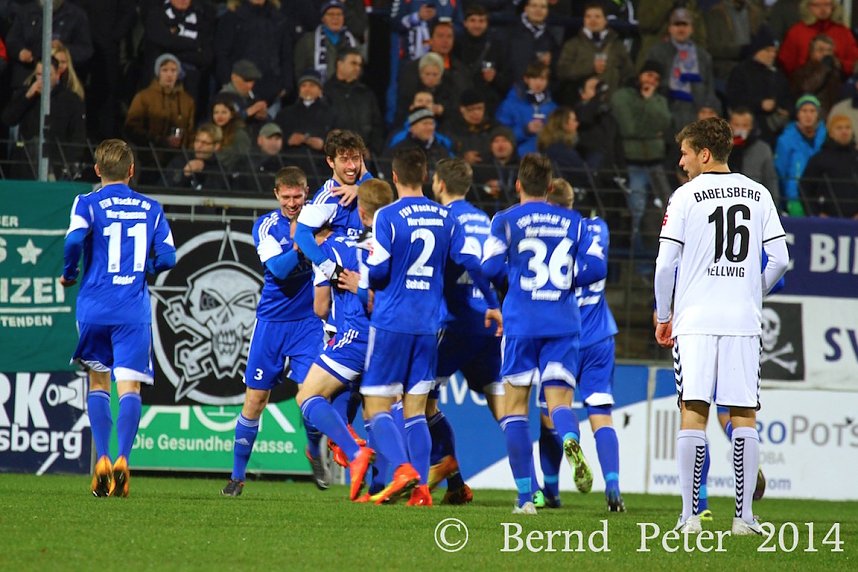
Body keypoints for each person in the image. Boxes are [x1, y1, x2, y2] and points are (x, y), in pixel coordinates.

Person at [654, 117, 789, 534]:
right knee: (744, 415)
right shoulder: (759, 193)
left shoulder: (684, 197)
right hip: (742, 321)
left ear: (704, 154)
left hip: (694, 321)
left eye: (686, 153)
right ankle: (744, 518)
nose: (681, 162)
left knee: (693, 412)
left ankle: (689, 517)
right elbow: (781, 259)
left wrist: (663, 316)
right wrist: (753, 292)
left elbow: (664, 265)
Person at [360, 147, 501, 506]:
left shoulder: (387, 216)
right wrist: (492, 303)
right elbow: (470, 260)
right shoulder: (446, 218)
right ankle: (422, 490)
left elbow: (377, 272)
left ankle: (402, 470)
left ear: (394, 177)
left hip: (392, 320)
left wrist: (370, 283)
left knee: (376, 404)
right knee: (417, 409)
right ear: (425, 176)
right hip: (428, 324)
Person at [481, 154, 607, 514]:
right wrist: (566, 281)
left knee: (516, 410)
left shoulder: (504, 220)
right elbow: (597, 266)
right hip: (563, 322)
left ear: (518, 185)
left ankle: (525, 498)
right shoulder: (576, 222)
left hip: (521, 322)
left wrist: (515, 283)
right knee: (559, 404)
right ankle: (569, 438)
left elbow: (489, 266)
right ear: (551, 187)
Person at [60, 138, 176, 497]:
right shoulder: (151, 207)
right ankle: (124, 457)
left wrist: (69, 271)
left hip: (94, 306)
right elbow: (169, 257)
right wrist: (147, 267)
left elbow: (74, 241)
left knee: (99, 382)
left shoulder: (87, 202)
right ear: (131, 170)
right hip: (132, 308)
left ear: (97, 170)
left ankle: (103, 458)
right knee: (130, 387)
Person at [221, 167, 325, 497]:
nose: (293, 203)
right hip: (271, 324)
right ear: (276, 194)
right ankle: (237, 477)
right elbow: (278, 270)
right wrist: (302, 245)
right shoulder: (266, 226)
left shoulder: (321, 220)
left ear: (307, 192)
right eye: (287, 196)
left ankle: (313, 449)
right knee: (255, 400)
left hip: (309, 323)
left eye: (298, 196)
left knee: (313, 396)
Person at [295, 179, 396, 502]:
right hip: (391, 336)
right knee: (376, 411)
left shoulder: (332, 249)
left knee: (308, 397)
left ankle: (354, 453)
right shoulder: (392, 243)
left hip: (352, 336)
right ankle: (382, 485)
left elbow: (320, 307)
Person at [535, 178, 624, 512]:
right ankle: (613, 486)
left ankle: (553, 490)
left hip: (562, 335)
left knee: (551, 413)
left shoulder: (547, 235)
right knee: (601, 413)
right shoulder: (598, 228)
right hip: (600, 335)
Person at [427, 157, 504, 505]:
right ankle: (528, 487)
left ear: (439, 184)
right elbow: (491, 267)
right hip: (487, 323)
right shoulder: (484, 220)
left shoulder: (443, 219)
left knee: (419, 399)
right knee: (503, 407)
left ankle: (445, 470)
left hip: (453, 323)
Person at [293, 129, 373, 282]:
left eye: (355, 159)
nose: (351, 166)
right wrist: (331, 270)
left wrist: (361, 187)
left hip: (368, 283)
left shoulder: (364, 189)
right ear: (331, 162)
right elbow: (301, 235)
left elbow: (381, 198)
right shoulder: (328, 197)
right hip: (344, 291)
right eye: (344, 160)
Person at [555, 1, 634, 101]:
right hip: (581, 104)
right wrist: (590, 67)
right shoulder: (572, 45)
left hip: (610, 106)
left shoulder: (617, 46)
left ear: (605, 20)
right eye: (588, 16)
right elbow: (562, 72)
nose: (593, 20)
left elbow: (628, 74)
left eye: (597, 16)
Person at [124, 53, 196, 163]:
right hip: (149, 157)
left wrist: (183, 143)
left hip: (178, 158)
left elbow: (190, 131)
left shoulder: (188, 101)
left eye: (173, 70)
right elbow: (132, 128)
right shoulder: (143, 97)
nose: (169, 75)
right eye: (165, 70)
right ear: (158, 72)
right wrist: (158, 140)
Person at [324, 48, 385, 156]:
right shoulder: (326, 92)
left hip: (362, 156)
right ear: (340, 64)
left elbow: (377, 125)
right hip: (335, 156)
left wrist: (373, 150)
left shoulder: (366, 94)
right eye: (353, 63)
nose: (357, 68)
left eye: (359, 65)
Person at [774, 94, 827, 215]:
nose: (808, 115)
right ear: (797, 114)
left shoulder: (827, 138)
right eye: (804, 111)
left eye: (812, 111)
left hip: (824, 198)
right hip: (795, 198)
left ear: (818, 114)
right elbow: (780, 171)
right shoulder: (785, 140)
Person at [800, 114, 858, 218]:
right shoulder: (819, 159)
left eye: (847, 127)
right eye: (839, 128)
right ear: (831, 133)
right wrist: (816, 213)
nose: (844, 131)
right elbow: (805, 188)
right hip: (826, 224)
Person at [496, 61, 557, 157]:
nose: (538, 82)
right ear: (526, 79)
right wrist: (525, 130)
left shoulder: (552, 106)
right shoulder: (510, 104)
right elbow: (501, 135)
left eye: (542, 79)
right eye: (534, 78)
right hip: (518, 158)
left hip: (547, 158)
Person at [293, 0, 359, 84]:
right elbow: (299, 71)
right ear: (323, 18)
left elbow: (359, 71)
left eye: (339, 14)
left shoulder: (353, 42)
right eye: (331, 14)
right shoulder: (307, 41)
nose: (335, 18)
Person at [728, 107, 779, 202]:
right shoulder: (721, 149)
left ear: (751, 126)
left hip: (754, 203)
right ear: (730, 125)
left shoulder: (763, 149)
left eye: (745, 125)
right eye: (736, 125)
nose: (740, 130)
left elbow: (770, 182)